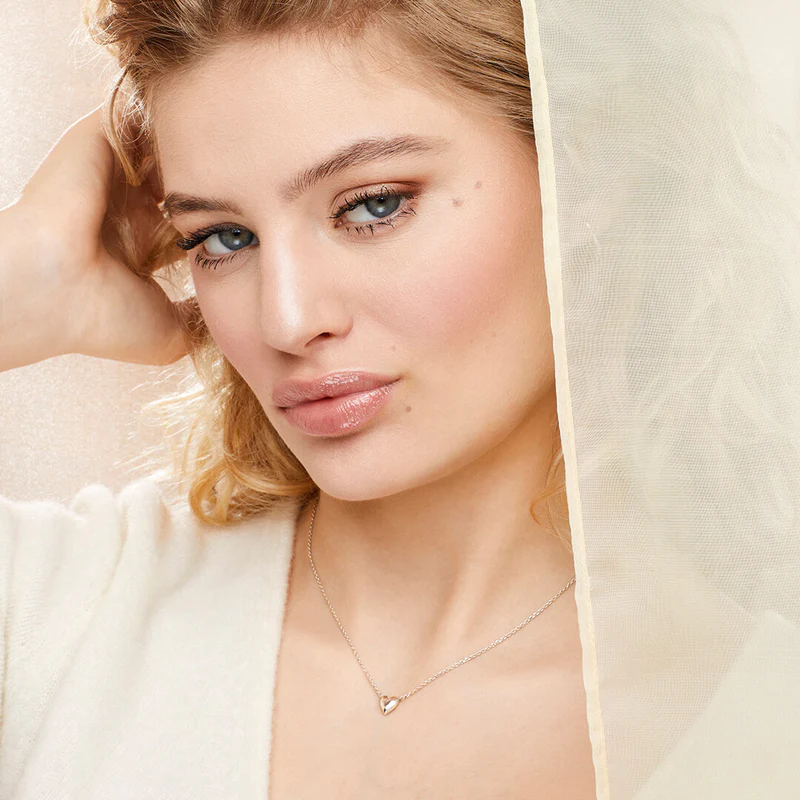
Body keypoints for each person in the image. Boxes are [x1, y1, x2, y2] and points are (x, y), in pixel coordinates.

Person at [0, 0, 597, 797]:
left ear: (584, 179)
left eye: (374, 205)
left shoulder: (739, 696)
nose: (285, 319)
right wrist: (27, 272)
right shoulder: (57, 614)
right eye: (221, 238)